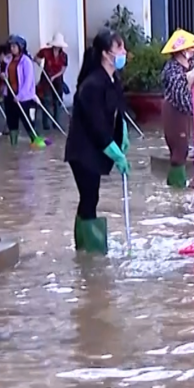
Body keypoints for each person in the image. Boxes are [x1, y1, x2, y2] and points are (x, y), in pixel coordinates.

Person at [64, 29, 129, 255]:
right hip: (82, 150)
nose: (124, 53)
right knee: (89, 196)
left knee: (91, 196)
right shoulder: (91, 85)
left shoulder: (113, 79)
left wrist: (123, 136)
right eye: (119, 48)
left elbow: (118, 111)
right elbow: (97, 126)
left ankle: (85, 246)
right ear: (105, 53)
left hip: (97, 147)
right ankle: (88, 249)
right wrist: (115, 153)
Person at [160, 29, 194, 188]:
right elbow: (180, 95)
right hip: (174, 110)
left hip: (186, 112)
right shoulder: (172, 70)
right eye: (190, 48)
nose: (192, 51)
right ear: (181, 51)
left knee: (184, 148)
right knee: (179, 149)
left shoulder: (192, 63)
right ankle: (176, 186)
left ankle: (177, 185)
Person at [4, 35, 38, 145]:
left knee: (28, 123)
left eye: (14, 46)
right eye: (11, 46)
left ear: (20, 47)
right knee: (12, 122)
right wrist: (4, 76)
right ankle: (13, 145)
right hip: (10, 95)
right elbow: (9, 75)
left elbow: (28, 81)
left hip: (24, 99)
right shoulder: (10, 60)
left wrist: (20, 96)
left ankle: (36, 142)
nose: (12, 48)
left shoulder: (26, 61)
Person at [36, 33, 69, 120]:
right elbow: (36, 57)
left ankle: (56, 121)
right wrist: (39, 61)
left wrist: (54, 77)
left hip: (58, 80)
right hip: (46, 79)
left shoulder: (64, 56)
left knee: (57, 100)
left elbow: (63, 69)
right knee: (46, 100)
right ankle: (46, 122)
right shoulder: (45, 52)